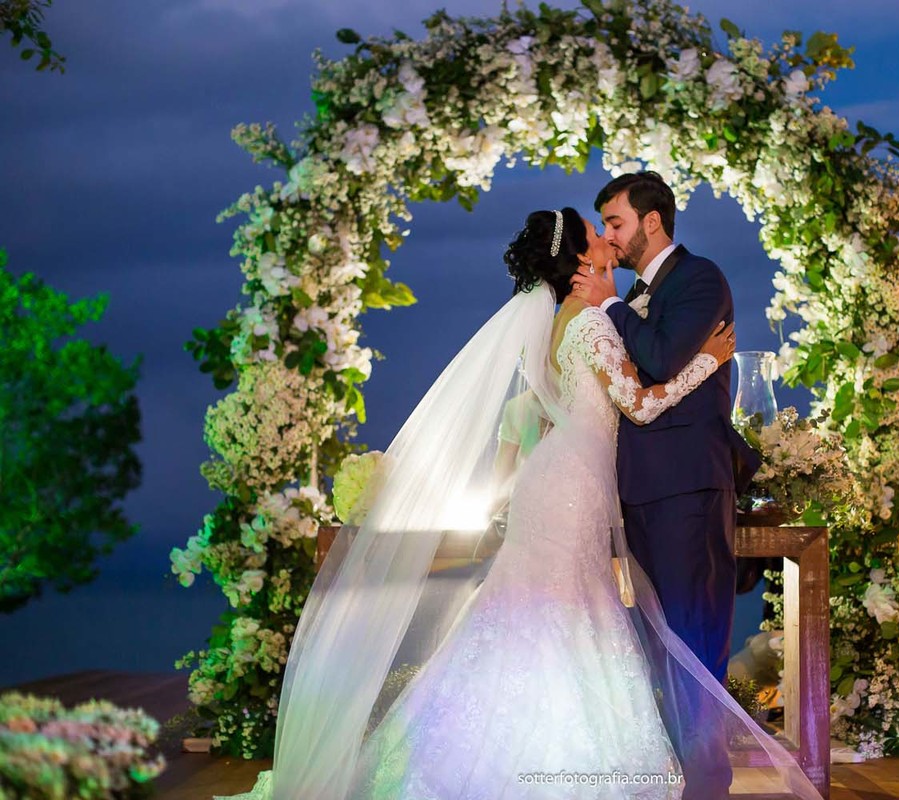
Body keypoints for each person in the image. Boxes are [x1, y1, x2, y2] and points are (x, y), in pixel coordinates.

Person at [216, 207, 820, 800]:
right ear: (582, 257)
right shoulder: (589, 321)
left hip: (560, 478)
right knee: (557, 613)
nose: (608, 239)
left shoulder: (563, 317)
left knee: (536, 612)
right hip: (570, 486)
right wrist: (707, 364)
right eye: (596, 233)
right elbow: (638, 406)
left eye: (611, 226)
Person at [571, 171, 762, 798]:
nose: (609, 236)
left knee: (693, 641)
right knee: (657, 646)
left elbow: (657, 358)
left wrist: (610, 304)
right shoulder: (636, 296)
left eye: (617, 223)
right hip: (640, 493)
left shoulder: (699, 278)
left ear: (652, 222)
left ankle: (707, 785)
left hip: (686, 489)